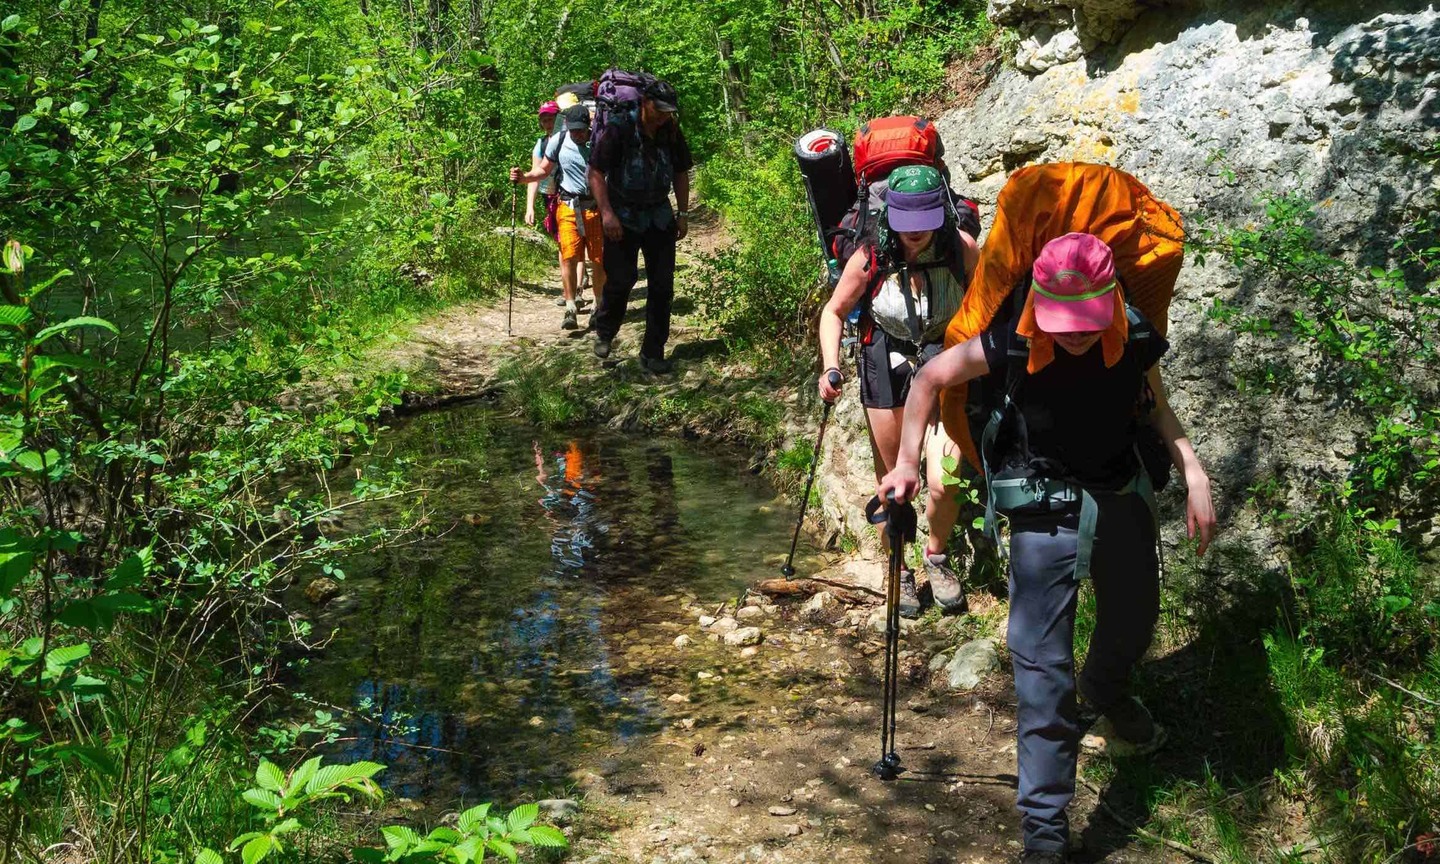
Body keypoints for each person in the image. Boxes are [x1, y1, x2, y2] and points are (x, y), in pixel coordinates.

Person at [876, 232, 1218, 864]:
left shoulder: (1134, 334)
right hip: (1041, 504)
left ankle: (1106, 690)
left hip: (1118, 492)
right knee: (1040, 672)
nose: (1076, 335)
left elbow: (1158, 411)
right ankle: (1045, 833)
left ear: (1110, 301)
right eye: (1064, 324)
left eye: (1087, 322)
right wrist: (905, 464)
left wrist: (1193, 473)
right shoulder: (1015, 337)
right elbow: (927, 378)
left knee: (1135, 621)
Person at [818, 164, 979, 618]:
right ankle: (899, 567)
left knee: (943, 479)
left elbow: (989, 304)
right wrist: (830, 367)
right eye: (906, 226)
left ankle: (936, 554)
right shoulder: (870, 256)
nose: (915, 234)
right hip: (884, 359)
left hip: (945, 358)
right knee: (894, 481)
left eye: (924, 225)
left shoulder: (961, 250)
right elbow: (834, 312)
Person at [586, 78, 693, 374]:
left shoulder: (671, 131)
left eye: (668, 111)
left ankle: (653, 352)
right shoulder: (618, 129)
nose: (663, 116)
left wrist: (682, 214)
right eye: (659, 109)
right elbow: (595, 172)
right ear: (645, 102)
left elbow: (682, 172)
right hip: (622, 216)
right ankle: (605, 331)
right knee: (621, 280)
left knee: (662, 286)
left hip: (659, 216)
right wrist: (606, 214)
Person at [511, 103, 604, 331]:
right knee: (569, 257)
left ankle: (598, 305)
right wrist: (523, 178)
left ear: (588, 125)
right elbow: (543, 170)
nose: (577, 134)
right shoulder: (558, 140)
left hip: (595, 207)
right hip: (567, 205)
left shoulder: (600, 142)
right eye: (573, 130)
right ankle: (570, 306)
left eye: (581, 130)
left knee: (598, 259)